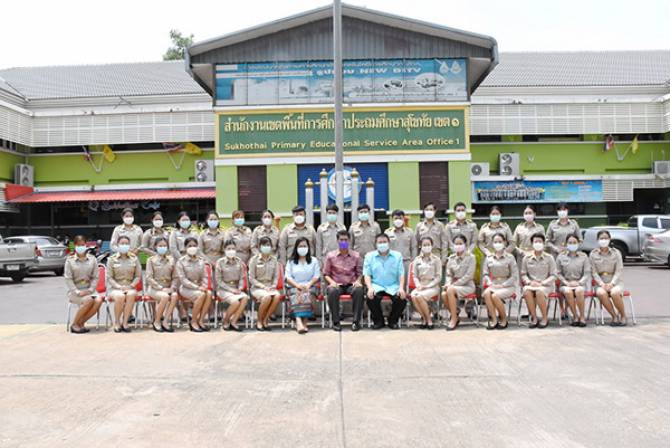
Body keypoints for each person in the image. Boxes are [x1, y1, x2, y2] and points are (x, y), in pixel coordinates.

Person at [323, 230, 365, 331]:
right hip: (337, 284)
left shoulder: (356, 255)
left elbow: (360, 273)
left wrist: (358, 281)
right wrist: (332, 282)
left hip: (351, 284)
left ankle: (356, 322)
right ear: (337, 241)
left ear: (349, 240)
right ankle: (336, 322)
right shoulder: (330, 256)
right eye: (341, 240)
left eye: (346, 240)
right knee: (332, 291)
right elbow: (326, 274)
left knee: (359, 290)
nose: (343, 242)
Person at [364, 233, 406, 329]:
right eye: (380, 242)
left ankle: (393, 320)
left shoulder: (397, 256)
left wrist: (401, 288)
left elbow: (401, 274)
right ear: (375, 244)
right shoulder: (369, 256)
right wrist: (370, 288)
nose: (382, 244)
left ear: (389, 243)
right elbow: (367, 274)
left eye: (384, 242)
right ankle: (379, 321)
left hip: (393, 285)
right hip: (376, 285)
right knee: (371, 298)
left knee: (402, 299)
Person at [64, 235, 102, 333]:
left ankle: (80, 323)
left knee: (98, 300)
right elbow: (68, 279)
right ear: (75, 246)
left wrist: (90, 290)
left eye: (83, 245)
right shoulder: (70, 261)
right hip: (75, 291)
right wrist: (77, 291)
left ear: (86, 245)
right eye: (78, 245)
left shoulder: (92, 259)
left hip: (89, 289)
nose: (81, 247)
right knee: (88, 300)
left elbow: (95, 277)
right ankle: (74, 324)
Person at [481, 232, 519, 330]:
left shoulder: (510, 257)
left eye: (500, 241)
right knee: (486, 293)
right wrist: (489, 282)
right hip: (493, 284)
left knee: (495, 296)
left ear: (505, 242)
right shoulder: (489, 258)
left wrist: (503, 285)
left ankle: (504, 319)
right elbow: (485, 274)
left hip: (507, 285)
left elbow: (514, 276)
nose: (497, 244)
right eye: (495, 242)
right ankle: (494, 319)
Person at [589, 230, 627, 326]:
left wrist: (612, 283)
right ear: (597, 240)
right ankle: (614, 316)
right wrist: (602, 284)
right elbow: (593, 272)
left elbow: (619, 270)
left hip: (615, 281)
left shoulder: (616, 253)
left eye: (606, 238)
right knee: (601, 293)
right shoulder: (593, 254)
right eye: (601, 238)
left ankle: (623, 315)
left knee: (614, 293)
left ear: (609, 239)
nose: (604, 240)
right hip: (600, 282)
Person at [106, 235, 142, 333]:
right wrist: (119, 287)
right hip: (115, 288)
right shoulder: (111, 259)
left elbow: (138, 276)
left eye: (126, 244)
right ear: (118, 245)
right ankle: (117, 322)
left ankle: (125, 322)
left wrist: (131, 286)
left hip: (130, 286)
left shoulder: (134, 259)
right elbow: (109, 277)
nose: (124, 245)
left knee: (131, 294)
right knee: (120, 296)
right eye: (122, 243)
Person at [521, 233, 557, 329]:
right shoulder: (526, 258)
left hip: (546, 285)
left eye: (540, 241)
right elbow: (523, 274)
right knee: (526, 291)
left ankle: (544, 318)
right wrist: (529, 282)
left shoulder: (549, 258)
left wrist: (542, 283)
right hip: (531, 284)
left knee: (539, 292)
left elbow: (554, 275)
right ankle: (534, 318)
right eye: (535, 241)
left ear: (543, 243)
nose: (538, 243)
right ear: (532, 244)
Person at [285, 237, 321, 334]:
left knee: (308, 294)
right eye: (300, 246)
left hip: (310, 286)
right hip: (294, 286)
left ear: (308, 248)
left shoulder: (314, 260)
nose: (302, 248)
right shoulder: (291, 261)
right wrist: (297, 286)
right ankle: (298, 321)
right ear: (296, 248)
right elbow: (288, 277)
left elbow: (316, 276)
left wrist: (308, 285)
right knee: (296, 294)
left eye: (304, 246)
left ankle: (304, 322)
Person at [176, 237, 212, 332]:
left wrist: (204, 286)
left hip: (200, 287)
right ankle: (193, 322)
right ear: (185, 247)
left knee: (209, 294)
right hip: (186, 288)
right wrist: (197, 287)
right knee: (201, 295)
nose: (192, 248)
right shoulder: (181, 261)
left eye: (194, 246)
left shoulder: (201, 260)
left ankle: (201, 320)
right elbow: (183, 279)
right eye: (190, 246)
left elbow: (205, 276)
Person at [442, 235, 476, 330]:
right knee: (444, 294)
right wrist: (448, 283)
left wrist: (453, 285)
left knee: (450, 290)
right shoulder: (451, 258)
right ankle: (456, 314)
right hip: (454, 286)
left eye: (460, 243)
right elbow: (449, 274)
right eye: (456, 244)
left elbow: (469, 275)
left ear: (465, 245)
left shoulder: (471, 258)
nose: (458, 246)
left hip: (467, 286)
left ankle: (453, 319)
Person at [145, 236, 178, 332]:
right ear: (155, 247)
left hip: (168, 287)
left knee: (175, 295)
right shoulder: (151, 260)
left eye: (164, 246)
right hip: (155, 288)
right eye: (160, 246)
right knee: (165, 296)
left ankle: (165, 321)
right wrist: (160, 288)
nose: (162, 248)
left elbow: (175, 277)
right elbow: (149, 277)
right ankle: (157, 321)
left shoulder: (171, 260)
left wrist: (172, 287)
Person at [249, 236, 283, 331]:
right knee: (267, 297)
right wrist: (263, 286)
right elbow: (251, 278)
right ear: (259, 247)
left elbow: (276, 276)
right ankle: (259, 321)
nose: (266, 247)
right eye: (264, 245)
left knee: (277, 296)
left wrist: (273, 286)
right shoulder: (254, 260)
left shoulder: (274, 260)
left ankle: (265, 319)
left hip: (270, 286)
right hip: (257, 287)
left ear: (271, 247)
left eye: (268, 245)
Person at [556, 233, 590, 327]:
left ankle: (582, 317)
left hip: (580, 284)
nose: (572, 244)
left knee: (579, 290)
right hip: (565, 285)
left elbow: (587, 273)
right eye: (570, 242)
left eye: (574, 242)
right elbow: (558, 273)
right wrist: (566, 283)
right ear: (566, 244)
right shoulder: (561, 257)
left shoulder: (584, 257)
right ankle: (575, 316)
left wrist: (579, 283)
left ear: (578, 243)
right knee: (568, 291)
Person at [215, 240, 249, 331]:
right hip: (224, 289)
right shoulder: (220, 262)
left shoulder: (239, 261)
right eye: (229, 249)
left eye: (233, 248)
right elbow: (218, 281)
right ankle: (225, 321)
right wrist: (231, 290)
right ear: (224, 249)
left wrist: (240, 287)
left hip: (236, 288)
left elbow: (242, 277)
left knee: (245, 298)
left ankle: (234, 321)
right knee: (235, 302)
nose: (231, 251)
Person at [409, 236, 442, 329]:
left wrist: (428, 286)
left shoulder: (436, 259)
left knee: (419, 296)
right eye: (424, 245)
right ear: (420, 246)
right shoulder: (417, 260)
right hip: (421, 285)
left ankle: (428, 320)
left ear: (432, 246)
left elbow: (438, 277)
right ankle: (425, 318)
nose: (426, 246)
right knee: (413, 296)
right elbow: (414, 275)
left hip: (433, 286)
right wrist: (418, 285)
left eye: (428, 244)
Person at [385, 209, 417, 273]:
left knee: (407, 279)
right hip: (392, 262)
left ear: (403, 219)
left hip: (406, 262)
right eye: (396, 218)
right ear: (392, 219)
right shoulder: (387, 232)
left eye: (400, 218)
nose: (398, 220)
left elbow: (413, 248)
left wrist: (413, 262)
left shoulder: (410, 232)